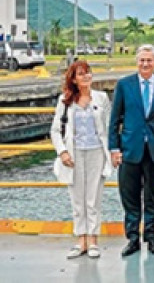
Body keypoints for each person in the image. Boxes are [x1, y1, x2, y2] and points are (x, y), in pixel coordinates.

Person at [108, 44, 154, 257]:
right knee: (129, 195)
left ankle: (151, 237)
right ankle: (133, 238)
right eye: (142, 60)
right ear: (136, 62)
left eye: (149, 60)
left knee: (152, 196)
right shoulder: (124, 85)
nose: (145, 64)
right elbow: (114, 119)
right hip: (130, 148)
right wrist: (114, 147)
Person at [50, 60, 113, 259]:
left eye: (88, 73)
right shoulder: (65, 101)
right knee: (77, 200)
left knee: (93, 198)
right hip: (74, 154)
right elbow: (55, 131)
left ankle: (93, 240)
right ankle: (81, 240)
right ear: (74, 79)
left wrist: (112, 153)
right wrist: (62, 152)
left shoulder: (101, 98)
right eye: (81, 74)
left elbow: (109, 127)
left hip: (96, 152)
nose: (86, 77)